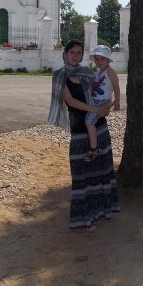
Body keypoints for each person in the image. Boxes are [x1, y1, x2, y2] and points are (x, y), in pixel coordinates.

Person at [48, 39, 121, 232]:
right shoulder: (60, 76)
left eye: (79, 52)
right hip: (80, 130)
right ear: (65, 53)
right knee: (82, 175)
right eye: (72, 51)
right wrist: (96, 109)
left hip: (100, 127)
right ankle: (85, 218)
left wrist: (107, 106)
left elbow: (108, 88)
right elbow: (71, 102)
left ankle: (103, 211)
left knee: (101, 171)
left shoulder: (88, 73)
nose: (75, 55)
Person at [83, 45, 121, 162]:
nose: (99, 62)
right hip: (97, 100)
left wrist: (117, 102)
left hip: (102, 101)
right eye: (97, 59)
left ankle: (94, 148)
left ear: (108, 59)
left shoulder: (110, 72)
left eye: (102, 59)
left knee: (89, 122)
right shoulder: (100, 72)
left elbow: (116, 87)